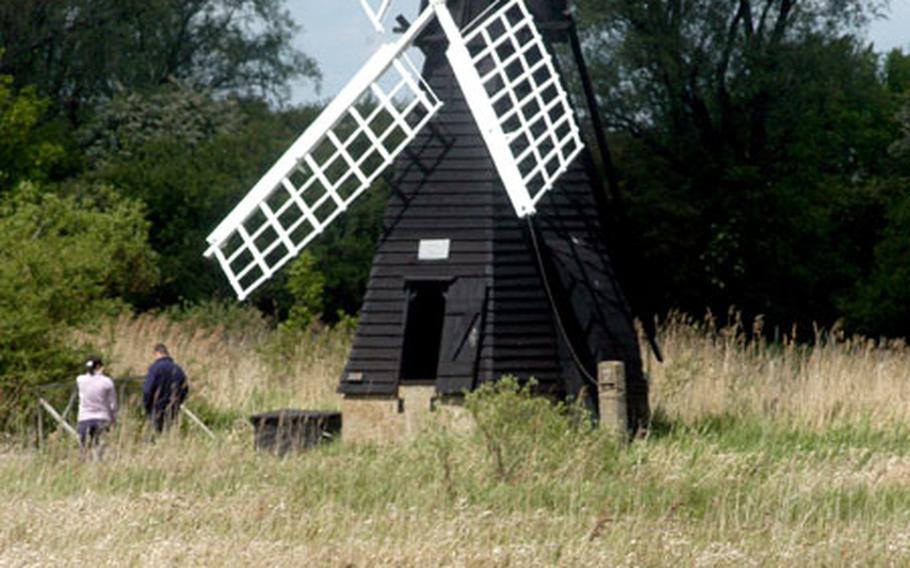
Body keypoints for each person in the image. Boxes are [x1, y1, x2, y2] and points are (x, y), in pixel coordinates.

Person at [76, 357, 117, 461]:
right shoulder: (107, 382)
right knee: (99, 447)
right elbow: (112, 403)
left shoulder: (80, 380)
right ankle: (98, 465)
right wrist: (113, 418)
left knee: (83, 449)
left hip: (84, 417)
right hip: (101, 417)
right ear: (99, 367)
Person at [142, 343, 189, 434]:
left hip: (157, 409)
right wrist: (178, 402)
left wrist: (147, 406)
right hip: (173, 410)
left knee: (153, 436)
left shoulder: (155, 368)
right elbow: (185, 389)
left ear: (157, 353)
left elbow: (147, 390)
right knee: (169, 435)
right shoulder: (178, 369)